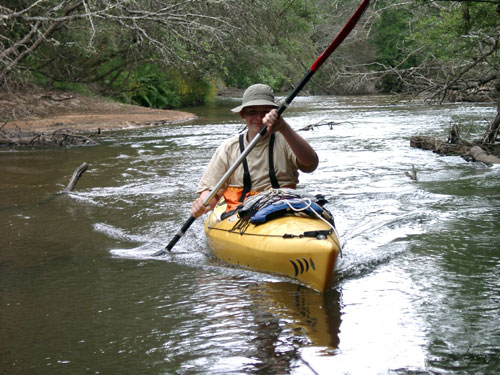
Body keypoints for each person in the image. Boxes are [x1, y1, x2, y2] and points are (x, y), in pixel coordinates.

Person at [190, 83, 319, 218]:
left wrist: (284, 127)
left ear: (275, 113)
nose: (259, 117)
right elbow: (210, 191)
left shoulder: (287, 139)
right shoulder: (229, 147)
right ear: (242, 114)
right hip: (240, 213)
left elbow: (310, 164)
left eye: (266, 112)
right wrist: (203, 204)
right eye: (252, 112)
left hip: (283, 211)